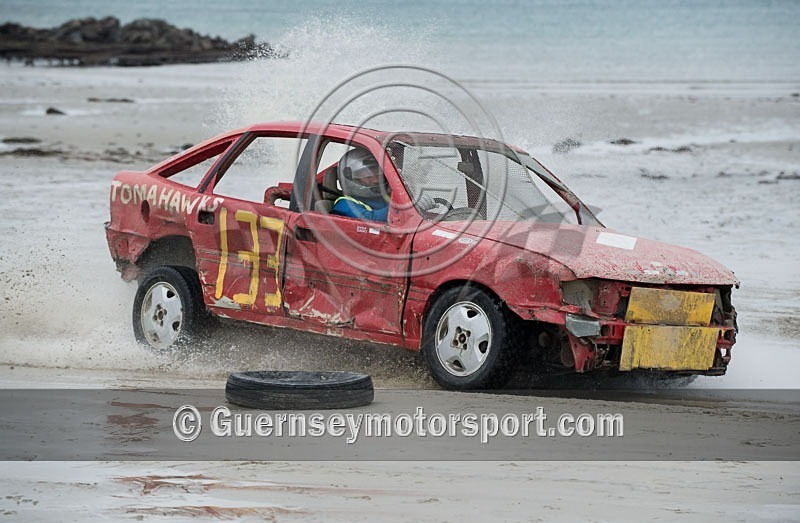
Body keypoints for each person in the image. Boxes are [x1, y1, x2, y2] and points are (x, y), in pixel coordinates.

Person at [330, 148, 391, 222]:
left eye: (378, 175)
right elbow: (371, 220)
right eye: (368, 177)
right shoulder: (344, 204)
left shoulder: (385, 196)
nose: (376, 180)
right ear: (350, 178)